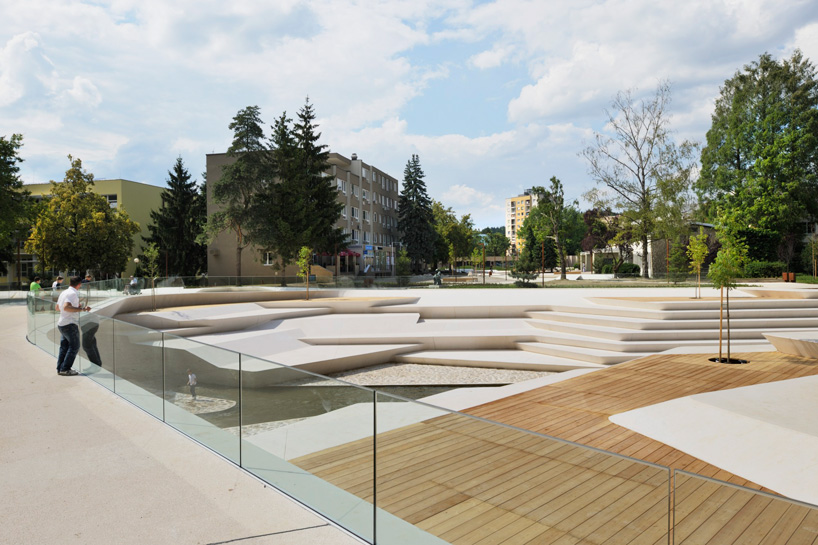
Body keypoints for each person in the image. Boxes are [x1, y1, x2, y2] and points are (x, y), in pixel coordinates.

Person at [55, 276, 90, 376]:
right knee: (75, 346)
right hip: (69, 324)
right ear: (79, 284)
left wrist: (75, 307)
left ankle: (60, 368)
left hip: (62, 323)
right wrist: (82, 309)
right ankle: (65, 369)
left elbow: (58, 308)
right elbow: (66, 307)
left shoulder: (64, 292)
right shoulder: (73, 293)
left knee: (64, 347)